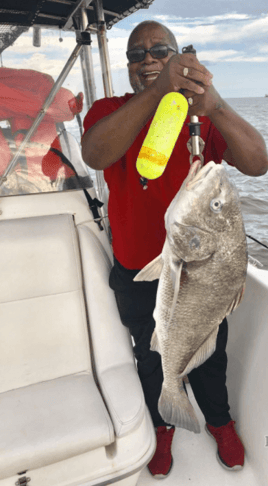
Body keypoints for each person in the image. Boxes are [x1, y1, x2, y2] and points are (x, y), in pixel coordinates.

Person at [82, 20, 268, 478]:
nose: (147, 59)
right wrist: (159, 92)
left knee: (210, 354)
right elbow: (95, 154)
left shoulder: (198, 118)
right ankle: (164, 423)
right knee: (151, 355)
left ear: (175, 56)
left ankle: (219, 421)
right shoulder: (111, 110)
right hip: (139, 272)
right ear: (128, 67)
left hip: (201, 274)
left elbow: (258, 162)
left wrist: (215, 104)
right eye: (136, 54)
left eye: (159, 50)